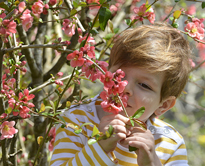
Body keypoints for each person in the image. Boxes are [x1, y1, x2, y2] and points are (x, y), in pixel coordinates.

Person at [50, 22, 191, 166]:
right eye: (119, 76)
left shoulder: (170, 144)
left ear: (164, 104)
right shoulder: (76, 120)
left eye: (144, 85)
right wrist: (98, 148)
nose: (125, 87)